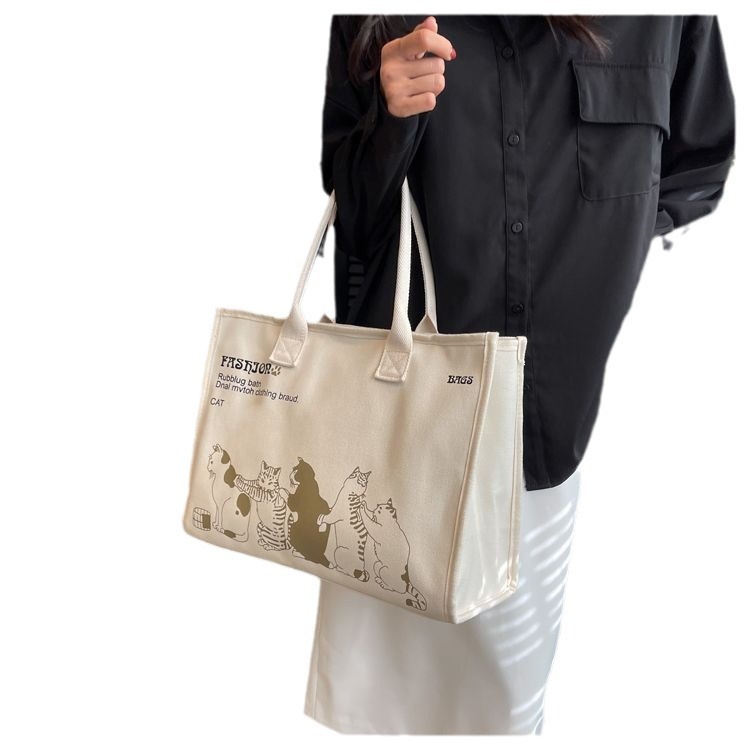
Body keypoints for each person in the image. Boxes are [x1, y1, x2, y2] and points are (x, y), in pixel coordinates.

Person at [303, 14, 735, 735]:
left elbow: (697, 161)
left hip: (548, 421)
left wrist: (611, 246)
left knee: (508, 703)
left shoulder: (660, 16)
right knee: (382, 700)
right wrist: (390, 116)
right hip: (395, 437)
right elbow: (355, 216)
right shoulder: (383, 15)